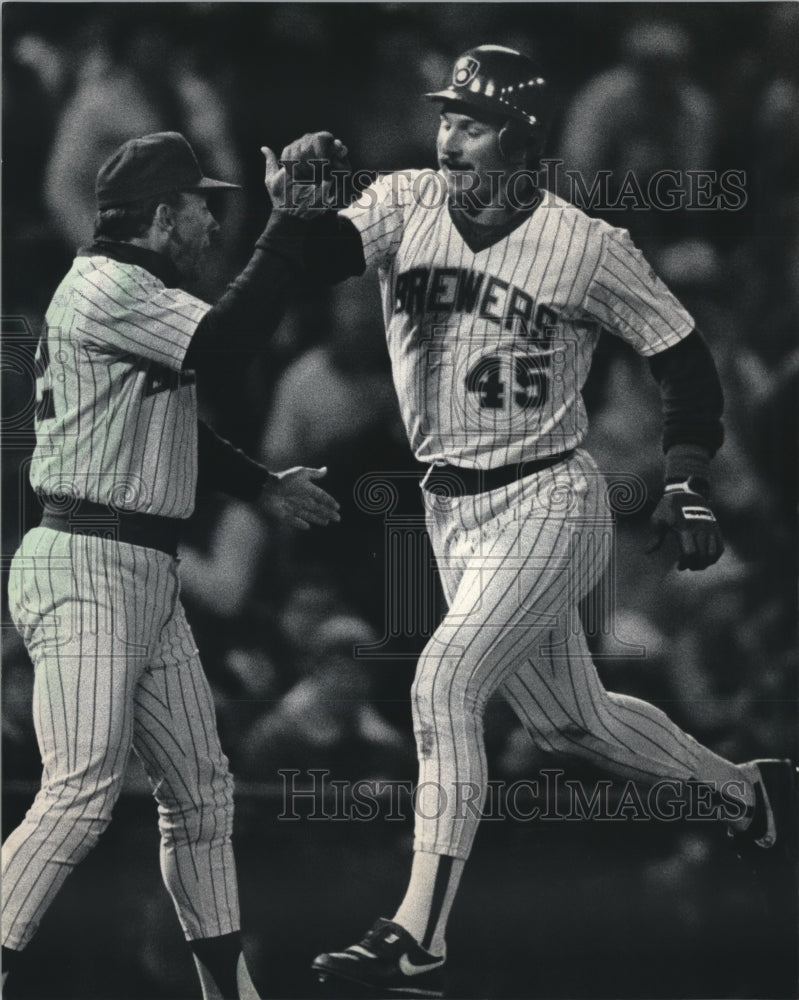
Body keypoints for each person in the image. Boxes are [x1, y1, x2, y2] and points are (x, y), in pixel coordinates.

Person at [297, 45, 798, 997]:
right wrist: (293, 211)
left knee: (442, 681)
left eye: (472, 124)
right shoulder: (405, 202)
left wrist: (685, 479)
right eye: (446, 118)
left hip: (548, 496)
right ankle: (755, 794)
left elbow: (683, 359)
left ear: (522, 143)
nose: (449, 138)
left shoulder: (585, 243)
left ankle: (419, 934)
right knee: (576, 724)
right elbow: (307, 265)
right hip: (450, 509)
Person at [1, 129, 343, 1000]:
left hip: (133, 566)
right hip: (87, 560)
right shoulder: (111, 285)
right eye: (200, 204)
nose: (209, 218)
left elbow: (171, 428)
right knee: (80, 793)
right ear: (162, 215)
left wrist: (261, 484)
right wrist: (284, 224)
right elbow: (229, 346)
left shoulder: (133, 290)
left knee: (201, 793)